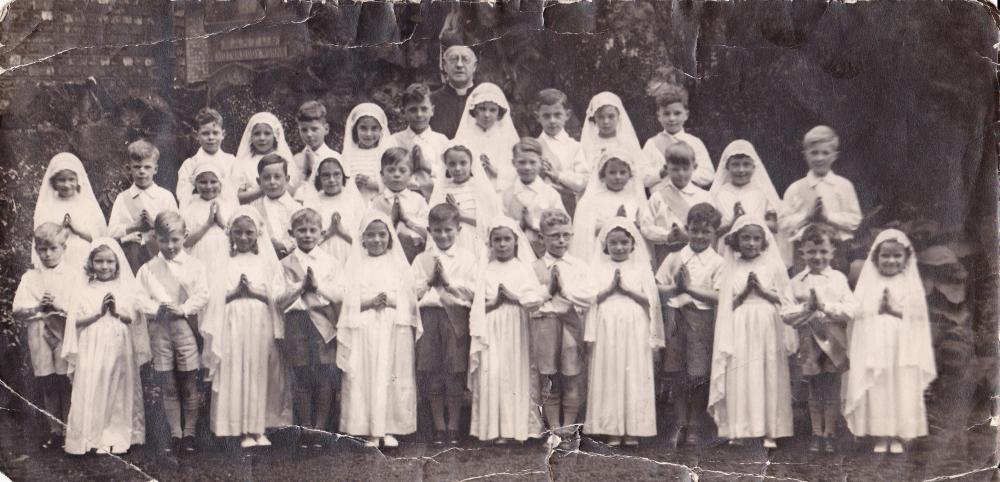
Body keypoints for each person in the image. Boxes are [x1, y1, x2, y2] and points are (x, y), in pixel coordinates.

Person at [202, 206, 289, 449]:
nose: (243, 238)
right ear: (230, 234)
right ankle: (238, 428)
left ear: (257, 234)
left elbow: (277, 293)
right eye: (238, 233)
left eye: (248, 233)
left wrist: (253, 291)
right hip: (232, 322)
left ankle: (258, 428)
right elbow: (212, 295)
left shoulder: (266, 262)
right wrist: (234, 293)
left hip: (260, 320)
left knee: (258, 370)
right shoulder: (223, 261)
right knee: (236, 369)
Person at [843, 229, 935, 454]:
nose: (891, 260)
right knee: (880, 389)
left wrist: (893, 309)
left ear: (906, 259)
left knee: (900, 388)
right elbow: (858, 312)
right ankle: (881, 436)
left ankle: (897, 435)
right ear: (876, 257)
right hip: (875, 345)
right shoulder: (868, 283)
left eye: (896, 256)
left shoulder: (910, 284)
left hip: (902, 347)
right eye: (885, 256)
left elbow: (918, 317)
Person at [708, 216, 795, 449]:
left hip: (767, 322)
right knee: (741, 372)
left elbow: (786, 300)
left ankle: (770, 430)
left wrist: (763, 292)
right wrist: (746, 291)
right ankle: (738, 429)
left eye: (757, 238)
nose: (751, 243)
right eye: (746, 238)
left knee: (767, 371)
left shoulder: (774, 266)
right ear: (736, 240)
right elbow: (727, 304)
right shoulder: (730, 267)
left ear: (764, 241)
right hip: (740, 323)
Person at [337, 212, 421, 449]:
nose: (376, 240)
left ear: (389, 237)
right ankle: (367, 430)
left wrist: (391, 301)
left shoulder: (398, 265)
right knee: (365, 374)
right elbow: (347, 299)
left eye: (381, 235)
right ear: (362, 238)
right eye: (370, 235)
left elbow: (410, 298)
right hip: (364, 326)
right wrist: (370, 302)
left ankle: (389, 428)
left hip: (393, 326)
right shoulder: (355, 265)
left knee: (391, 374)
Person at [62, 238, 152, 455]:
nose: (104, 266)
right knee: (93, 385)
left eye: (110, 262)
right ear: (91, 263)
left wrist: (117, 311)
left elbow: (133, 319)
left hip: (120, 344)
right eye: (99, 261)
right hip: (92, 345)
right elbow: (75, 321)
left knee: (118, 388)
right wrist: (99, 313)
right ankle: (91, 436)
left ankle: (117, 435)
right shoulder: (84, 288)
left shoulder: (124, 288)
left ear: (117, 264)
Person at [585, 217, 664, 447]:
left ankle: (633, 429)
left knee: (633, 373)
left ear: (632, 244)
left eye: (624, 243)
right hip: (607, 324)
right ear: (605, 245)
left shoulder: (641, 267)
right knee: (610, 372)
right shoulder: (598, 267)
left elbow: (651, 301)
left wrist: (627, 290)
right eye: (614, 243)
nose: (619, 248)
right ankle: (612, 429)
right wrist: (611, 289)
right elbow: (591, 299)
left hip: (634, 325)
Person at [136, 212, 210, 454]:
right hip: (160, 329)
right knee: (168, 383)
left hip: (185, 328)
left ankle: (189, 432)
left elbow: (202, 294)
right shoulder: (148, 270)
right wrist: (155, 308)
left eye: (175, 240)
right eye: (163, 240)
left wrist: (184, 308)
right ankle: (175, 434)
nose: (169, 246)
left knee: (188, 382)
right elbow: (138, 297)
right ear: (155, 238)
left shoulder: (195, 266)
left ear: (184, 237)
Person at [469, 216, 546, 444]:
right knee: (493, 373)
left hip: (517, 327)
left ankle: (519, 430)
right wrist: (494, 303)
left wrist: (515, 297)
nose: (502, 244)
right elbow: (474, 305)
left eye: (506, 239)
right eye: (497, 240)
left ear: (515, 241)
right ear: (490, 243)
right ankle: (495, 430)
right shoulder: (484, 270)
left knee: (516, 374)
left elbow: (535, 300)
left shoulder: (524, 269)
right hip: (491, 326)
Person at [780, 224, 856, 453]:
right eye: (811, 251)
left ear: (833, 252)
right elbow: (785, 313)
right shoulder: (796, 282)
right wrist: (806, 307)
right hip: (808, 341)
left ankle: (830, 433)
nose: (817, 256)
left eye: (823, 251)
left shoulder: (838, 279)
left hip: (833, 340)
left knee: (832, 387)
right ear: (802, 252)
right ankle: (816, 432)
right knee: (813, 387)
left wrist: (826, 307)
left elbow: (851, 309)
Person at [655, 202, 723, 449]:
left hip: (701, 320)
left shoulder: (718, 262)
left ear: (715, 233)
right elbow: (658, 287)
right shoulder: (675, 257)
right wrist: (675, 288)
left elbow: (718, 295)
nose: (700, 236)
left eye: (706, 231)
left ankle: (695, 424)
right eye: (694, 230)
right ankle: (681, 423)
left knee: (698, 374)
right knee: (677, 373)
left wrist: (690, 289)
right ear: (687, 229)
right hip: (676, 317)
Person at [411, 203, 477, 445]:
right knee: (433, 373)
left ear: (458, 229)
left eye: (448, 230)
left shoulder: (467, 258)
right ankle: (439, 426)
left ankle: (453, 426)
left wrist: (448, 284)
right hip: (429, 317)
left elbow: (473, 291)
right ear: (429, 230)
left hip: (455, 318)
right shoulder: (422, 259)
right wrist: (430, 282)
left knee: (454, 372)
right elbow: (412, 290)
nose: (443, 235)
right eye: (437, 231)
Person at [530, 210, 595, 449]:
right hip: (545, 325)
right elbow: (529, 299)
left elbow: (587, 295)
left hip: (570, 325)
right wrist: (547, 293)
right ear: (541, 237)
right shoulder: (535, 267)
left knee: (571, 377)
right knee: (550, 379)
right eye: (554, 235)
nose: (561, 241)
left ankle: (568, 427)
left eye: (566, 235)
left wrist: (564, 291)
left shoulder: (578, 266)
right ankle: (554, 428)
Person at [277, 208, 341, 449]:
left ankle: (320, 428)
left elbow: (338, 294)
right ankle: (305, 428)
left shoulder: (330, 262)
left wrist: (317, 287)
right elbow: (278, 298)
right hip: (297, 323)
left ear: (321, 233)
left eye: (312, 230)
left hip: (323, 321)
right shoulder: (284, 264)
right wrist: (300, 288)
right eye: (301, 230)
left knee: (324, 375)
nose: (307, 235)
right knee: (302, 374)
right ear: (291, 233)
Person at [12, 224, 80, 450]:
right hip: (39, 332)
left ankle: (72, 428)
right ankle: (55, 430)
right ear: (36, 249)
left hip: (63, 332)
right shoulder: (30, 277)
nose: (47, 254)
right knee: (48, 381)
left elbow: (78, 308)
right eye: (42, 249)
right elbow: (18, 310)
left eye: (52, 248)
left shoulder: (73, 275)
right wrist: (39, 307)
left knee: (66, 380)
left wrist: (58, 306)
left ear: (63, 247)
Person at [780, 126, 862, 272]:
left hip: (836, 249)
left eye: (825, 153)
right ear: (805, 154)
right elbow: (784, 223)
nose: (819, 158)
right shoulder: (795, 188)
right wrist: (807, 217)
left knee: (835, 287)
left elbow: (854, 220)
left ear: (835, 155)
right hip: (804, 251)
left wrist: (828, 217)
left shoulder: (844, 186)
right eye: (814, 153)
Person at [568, 148, 661, 262]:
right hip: (601, 252)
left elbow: (644, 227)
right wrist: (615, 221)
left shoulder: (635, 199)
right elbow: (586, 229)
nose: (618, 177)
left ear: (630, 174)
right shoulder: (592, 200)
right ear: (603, 175)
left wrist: (637, 225)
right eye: (612, 172)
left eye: (622, 172)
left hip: (630, 251)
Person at [108, 140, 179, 273]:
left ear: (155, 169)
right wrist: (134, 226)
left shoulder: (165, 196)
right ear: (129, 169)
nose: (142, 171)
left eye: (147, 167)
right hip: (130, 259)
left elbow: (177, 229)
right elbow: (111, 232)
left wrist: (155, 225)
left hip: (159, 256)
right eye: (137, 167)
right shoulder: (122, 198)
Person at [33, 153, 107, 272]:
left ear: (78, 180)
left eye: (71, 179)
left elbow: (99, 238)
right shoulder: (47, 206)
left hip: (84, 259)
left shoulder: (87, 204)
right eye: (62, 180)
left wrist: (76, 229)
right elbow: (39, 239)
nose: (67, 185)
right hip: (55, 259)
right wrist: (59, 230)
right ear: (53, 182)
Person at [648, 141, 714, 267]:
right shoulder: (657, 197)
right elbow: (646, 226)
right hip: (666, 253)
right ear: (666, 168)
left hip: (699, 253)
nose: (681, 174)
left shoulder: (704, 196)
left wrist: (690, 235)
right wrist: (667, 236)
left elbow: (713, 226)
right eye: (675, 169)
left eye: (685, 169)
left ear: (694, 167)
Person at [428, 144, 499, 255]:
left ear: (471, 163)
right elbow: (433, 221)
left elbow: (491, 224)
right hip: (447, 241)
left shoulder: (481, 187)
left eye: (463, 163)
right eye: (452, 164)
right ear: (446, 165)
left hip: (477, 242)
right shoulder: (441, 188)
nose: (457, 168)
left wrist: (461, 215)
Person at [501, 138, 567, 257]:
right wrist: (519, 224)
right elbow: (500, 223)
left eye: (532, 162)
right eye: (522, 162)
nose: (527, 167)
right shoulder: (506, 194)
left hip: (545, 253)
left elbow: (563, 225)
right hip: (515, 254)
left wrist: (534, 223)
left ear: (541, 162)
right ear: (513, 163)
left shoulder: (550, 194)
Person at [641, 85, 714, 189]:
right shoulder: (652, 144)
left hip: (689, 199)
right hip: (661, 201)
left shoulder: (694, 142)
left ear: (686, 115)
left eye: (677, 113)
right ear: (659, 116)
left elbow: (708, 174)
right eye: (666, 114)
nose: (672, 118)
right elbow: (641, 178)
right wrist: (661, 173)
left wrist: (682, 175)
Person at [297, 157, 365, 267]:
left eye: (336, 174)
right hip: (323, 253)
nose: (332, 179)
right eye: (326, 175)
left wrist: (341, 232)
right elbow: (307, 235)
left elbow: (363, 233)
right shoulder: (313, 202)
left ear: (343, 176)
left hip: (352, 253)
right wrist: (329, 232)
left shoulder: (353, 199)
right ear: (319, 178)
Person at [453, 82, 520, 193]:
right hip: (471, 190)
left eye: (493, 110)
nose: (487, 115)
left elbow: (518, 169)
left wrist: (496, 171)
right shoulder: (465, 135)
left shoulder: (507, 136)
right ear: (475, 110)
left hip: (501, 191)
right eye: (482, 109)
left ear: (499, 112)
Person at [709, 140, 783, 239]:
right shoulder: (718, 194)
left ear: (753, 166)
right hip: (725, 247)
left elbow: (774, 226)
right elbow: (712, 230)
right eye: (735, 164)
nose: (741, 170)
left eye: (746, 164)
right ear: (727, 167)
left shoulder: (763, 192)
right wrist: (732, 224)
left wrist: (747, 220)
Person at [181, 161, 239, 282]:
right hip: (200, 257)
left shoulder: (229, 205)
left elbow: (238, 237)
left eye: (213, 181)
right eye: (203, 182)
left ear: (221, 183)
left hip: (225, 255)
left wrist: (221, 222)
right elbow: (185, 242)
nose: (208, 186)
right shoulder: (190, 207)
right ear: (195, 184)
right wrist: (207, 225)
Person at [370, 147, 429, 263]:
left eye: (402, 170)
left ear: (411, 176)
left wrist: (406, 220)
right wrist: (391, 219)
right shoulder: (375, 202)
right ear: (382, 176)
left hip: (414, 254)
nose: (396, 174)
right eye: (391, 170)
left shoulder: (418, 200)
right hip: (386, 256)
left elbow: (428, 229)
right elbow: (369, 229)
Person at [393, 83, 451, 199]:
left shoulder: (441, 141)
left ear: (432, 111)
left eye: (424, 109)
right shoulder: (394, 140)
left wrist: (426, 166)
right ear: (404, 112)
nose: (419, 115)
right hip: (402, 198)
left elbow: (450, 174)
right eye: (413, 110)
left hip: (436, 199)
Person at [533, 88, 587, 215]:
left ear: (567, 115)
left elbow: (583, 181)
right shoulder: (534, 146)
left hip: (569, 206)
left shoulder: (575, 147)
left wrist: (558, 176)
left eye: (557, 115)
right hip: (540, 207)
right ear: (537, 117)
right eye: (546, 116)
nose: (552, 120)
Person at [573, 91, 645, 181]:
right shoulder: (589, 144)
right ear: (594, 117)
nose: (606, 121)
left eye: (611, 116)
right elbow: (582, 173)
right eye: (600, 117)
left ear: (619, 116)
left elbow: (638, 173)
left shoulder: (627, 143)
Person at [176, 108, 236, 208]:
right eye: (205, 133)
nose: (211, 137)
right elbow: (183, 196)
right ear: (196, 135)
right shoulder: (190, 164)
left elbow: (236, 192)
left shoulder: (231, 161)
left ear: (223, 134)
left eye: (215, 133)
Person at [231, 112, 295, 205]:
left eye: (267, 133)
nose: (262, 138)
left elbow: (292, 190)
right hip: (252, 209)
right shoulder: (242, 162)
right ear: (250, 136)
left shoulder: (283, 160)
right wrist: (261, 191)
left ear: (275, 135)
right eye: (257, 134)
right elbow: (236, 197)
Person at [341, 103, 398, 202]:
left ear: (381, 129)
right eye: (363, 128)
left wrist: (373, 184)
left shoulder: (386, 153)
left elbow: (396, 183)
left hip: (380, 203)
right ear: (355, 129)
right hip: (352, 203)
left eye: (374, 128)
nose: (368, 134)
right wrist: (353, 185)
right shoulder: (349, 154)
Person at [250, 154, 302, 259]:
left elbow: (303, 235)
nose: (272, 182)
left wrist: (284, 246)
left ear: (287, 179)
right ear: (259, 182)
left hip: (294, 261)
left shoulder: (297, 208)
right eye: (266, 178)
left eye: (277, 177)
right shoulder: (254, 210)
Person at [292, 101, 341, 196]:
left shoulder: (335, 157)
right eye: (304, 130)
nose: (309, 134)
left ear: (326, 129)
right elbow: (292, 190)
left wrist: (313, 169)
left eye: (314, 129)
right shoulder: (296, 159)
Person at [430, 45, 478, 138]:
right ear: (444, 65)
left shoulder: (486, 98)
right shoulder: (431, 100)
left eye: (465, 59)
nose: (459, 65)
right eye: (453, 59)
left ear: (474, 66)